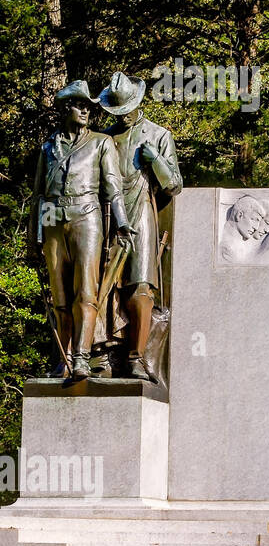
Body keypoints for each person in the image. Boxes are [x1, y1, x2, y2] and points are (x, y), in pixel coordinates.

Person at [29, 81, 132, 378]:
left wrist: (122, 223)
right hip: (51, 220)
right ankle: (64, 359)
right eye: (80, 105)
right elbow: (38, 194)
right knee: (59, 295)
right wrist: (31, 238)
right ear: (66, 108)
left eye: (89, 106)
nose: (86, 111)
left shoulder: (101, 142)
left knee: (86, 291)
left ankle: (82, 357)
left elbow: (113, 188)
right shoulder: (48, 147)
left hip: (86, 216)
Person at [97, 72, 183, 379]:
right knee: (103, 288)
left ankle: (136, 356)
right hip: (109, 216)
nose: (124, 116)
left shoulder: (159, 135)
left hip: (143, 211)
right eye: (118, 111)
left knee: (141, 287)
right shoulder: (104, 139)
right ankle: (105, 353)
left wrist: (156, 159)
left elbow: (174, 185)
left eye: (128, 109)